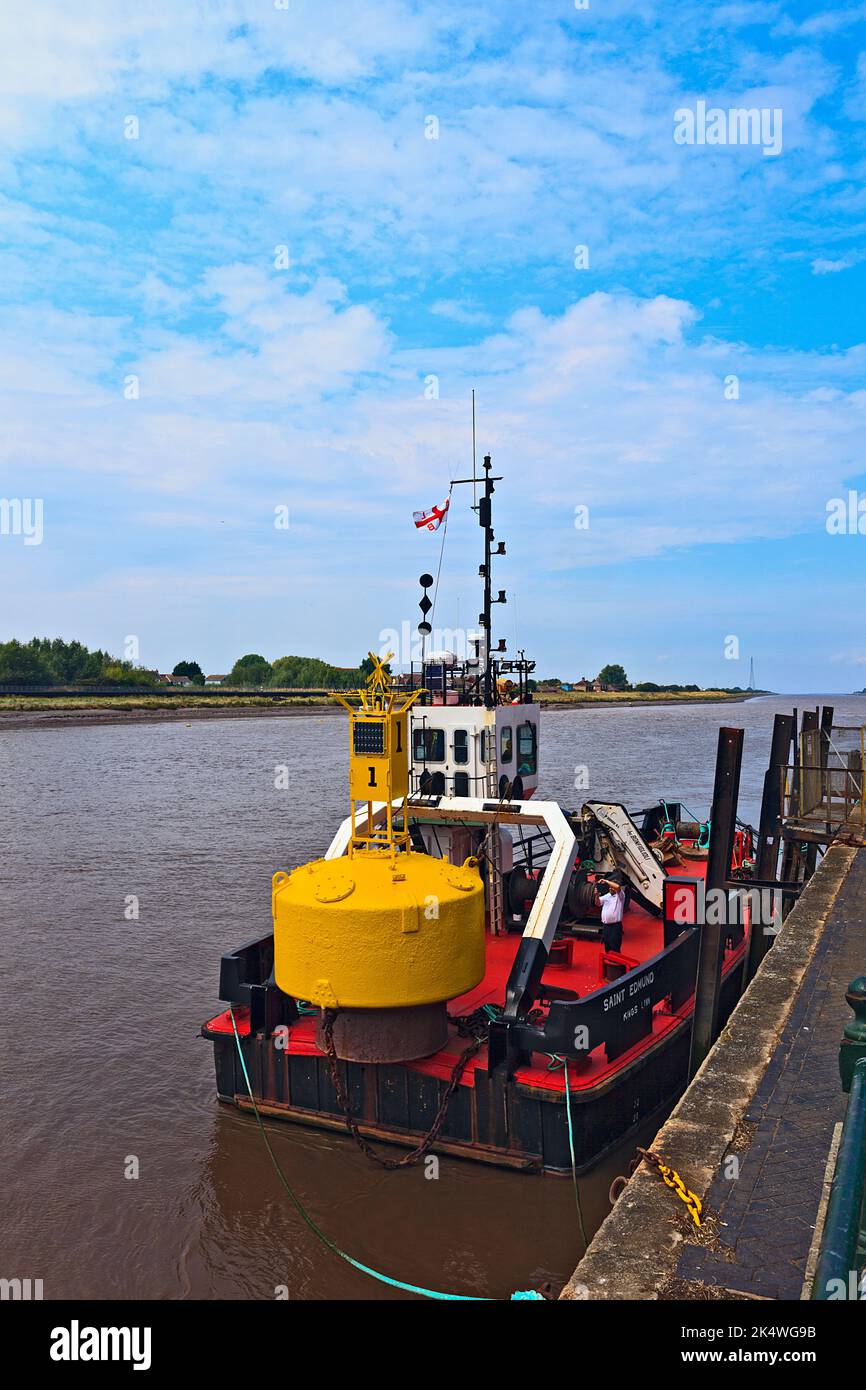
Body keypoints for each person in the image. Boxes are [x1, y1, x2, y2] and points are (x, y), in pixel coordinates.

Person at [597, 873, 627, 953]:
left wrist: (606, 881)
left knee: (615, 948)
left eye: (612, 887)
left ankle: (616, 964)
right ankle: (609, 964)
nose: (610, 889)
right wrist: (596, 895)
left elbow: (617, 887)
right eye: (610, 887)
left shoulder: (620, 896)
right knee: (608, 947)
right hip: (606, 926)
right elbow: (598, 903)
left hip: (615, 927)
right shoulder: (607, 896)